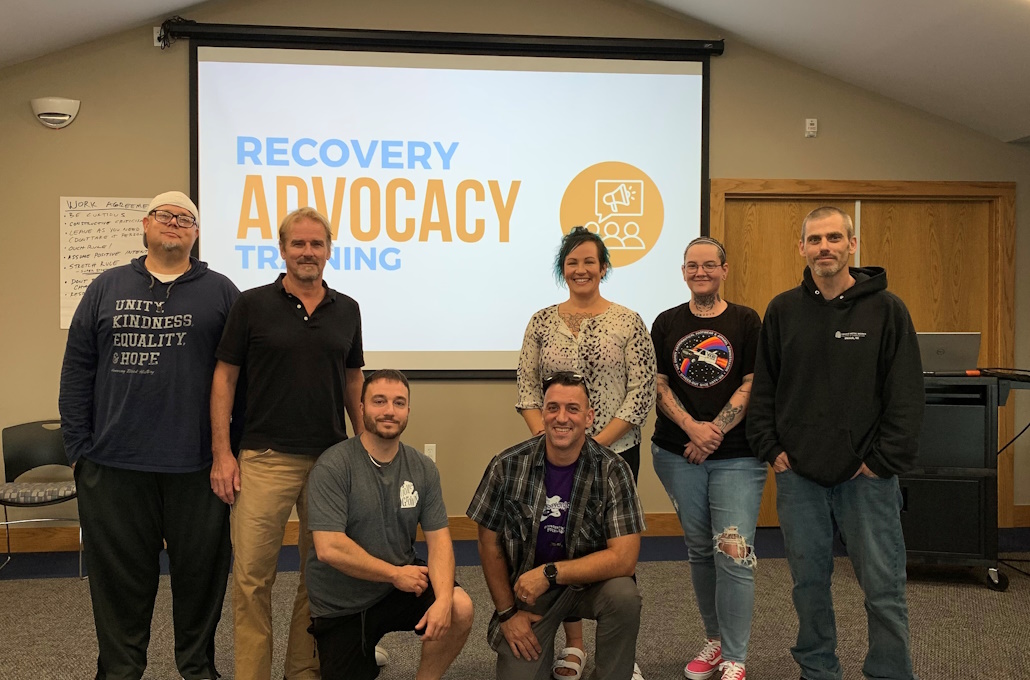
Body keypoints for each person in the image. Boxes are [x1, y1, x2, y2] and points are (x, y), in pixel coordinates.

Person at [59, 190, 238, 680]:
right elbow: (77, 370)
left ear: (196, 233)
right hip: (113, 466)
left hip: (197, 467)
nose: (175, 223)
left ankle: (198, 667)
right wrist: (79, 451)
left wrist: (230, 452)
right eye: (165, 215)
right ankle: (119, 670)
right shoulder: (105, 286)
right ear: (146, 223)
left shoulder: (222, 292)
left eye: (186, 218)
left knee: (201, 580)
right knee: (118, 584)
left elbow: (242, 377)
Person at [746, 206, 924, 680]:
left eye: (833, 238)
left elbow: (905, 394)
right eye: (815, 239)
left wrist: (883, 460)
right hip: (798, 474)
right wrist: (771, 449)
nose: (824, 247)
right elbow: (765, 388)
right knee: (808, 583)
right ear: (801, 248)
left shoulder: (887, 309)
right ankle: (817, 669)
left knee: (883, 585)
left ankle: (889, 671)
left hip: (868, 476)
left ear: (852, 245)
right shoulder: (783, 310)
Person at [209, 206, 367, 680]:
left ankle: (302, 669)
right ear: (282, 250)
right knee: (253, 578)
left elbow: (353, 380)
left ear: (328, 251)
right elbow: (224, 379)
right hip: (264, 458)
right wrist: (222, 453)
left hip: (330, 461)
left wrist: (364, 449)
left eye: (316, 244)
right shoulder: (252, 305)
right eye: (298, 244)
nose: (307, 252)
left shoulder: (348, 309)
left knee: (319, 575)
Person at [516, 226, 656, 680]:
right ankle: (573, 647)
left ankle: (620, 654)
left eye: (589, 262)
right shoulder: (540, 321)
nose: (581, 269)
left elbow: (639, 395)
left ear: (603, 268)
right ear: (563, 268)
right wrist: (554, 444)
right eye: (572, 262)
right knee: (556, 540)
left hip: (614, 454)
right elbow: (526, 388)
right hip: (550, 456)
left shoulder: (628, 321)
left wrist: (588, 449)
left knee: (614, 549)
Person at [468, 371, 646, 680]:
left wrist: (551, 573)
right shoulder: (507, 465)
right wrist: (508, 613)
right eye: (552, 408)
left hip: (590, 585)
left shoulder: (613, 470)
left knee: (624, 595)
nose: (561, 418)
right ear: (543, 413)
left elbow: (624, 558)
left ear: (589, 417)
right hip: (531, 595)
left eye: (572, 409)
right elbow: (488, 543)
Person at [305, 369, 474, 680]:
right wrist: (395, 574)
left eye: (398, 403)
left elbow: (439, 542)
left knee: (459, 608)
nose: (389, 411)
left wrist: (444, 600)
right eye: (379, 401)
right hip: (343, 602)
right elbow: (328, 548)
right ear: (361, 408)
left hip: (398, 586)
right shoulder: (334, 465)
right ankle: (364, 649)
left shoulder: (422, 468)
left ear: (407, 410)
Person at [650, 237, 764, 680]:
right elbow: (659, 385)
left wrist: (711, 432)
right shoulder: (666, 322)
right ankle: (715, 641)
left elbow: (752, 383)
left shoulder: (746, 321)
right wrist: (692, 431)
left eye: (709, 265)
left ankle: (736, 656)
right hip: (678, 453)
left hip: (737, 455)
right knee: (700, 551)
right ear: (683, 272)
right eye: (692, 266)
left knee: (733, 551)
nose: (701, 272)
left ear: (724, 269)